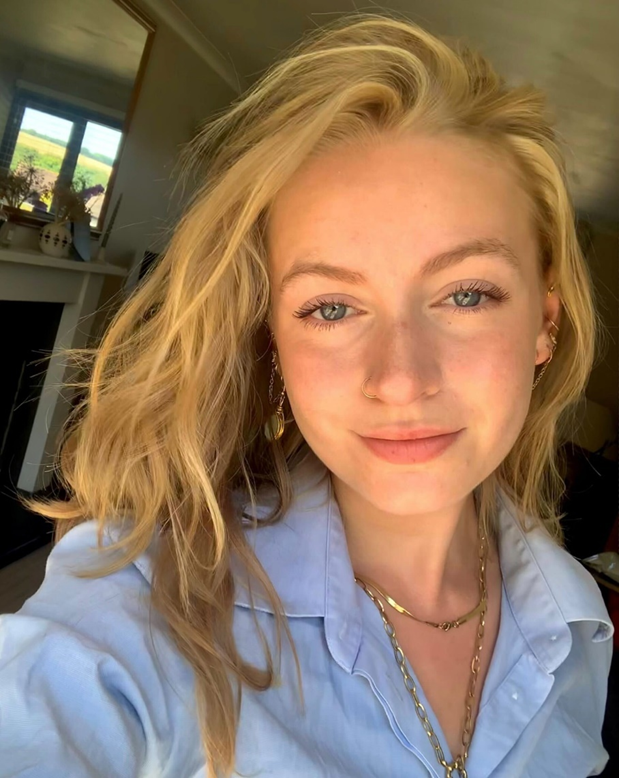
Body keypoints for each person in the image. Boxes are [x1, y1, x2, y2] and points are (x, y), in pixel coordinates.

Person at [0, 13, 613, 778]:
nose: (400, 380)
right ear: (274, 342)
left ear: (543, 325)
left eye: (465, 295)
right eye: (330, 307)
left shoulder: (576, 627)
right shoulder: (149, 590)